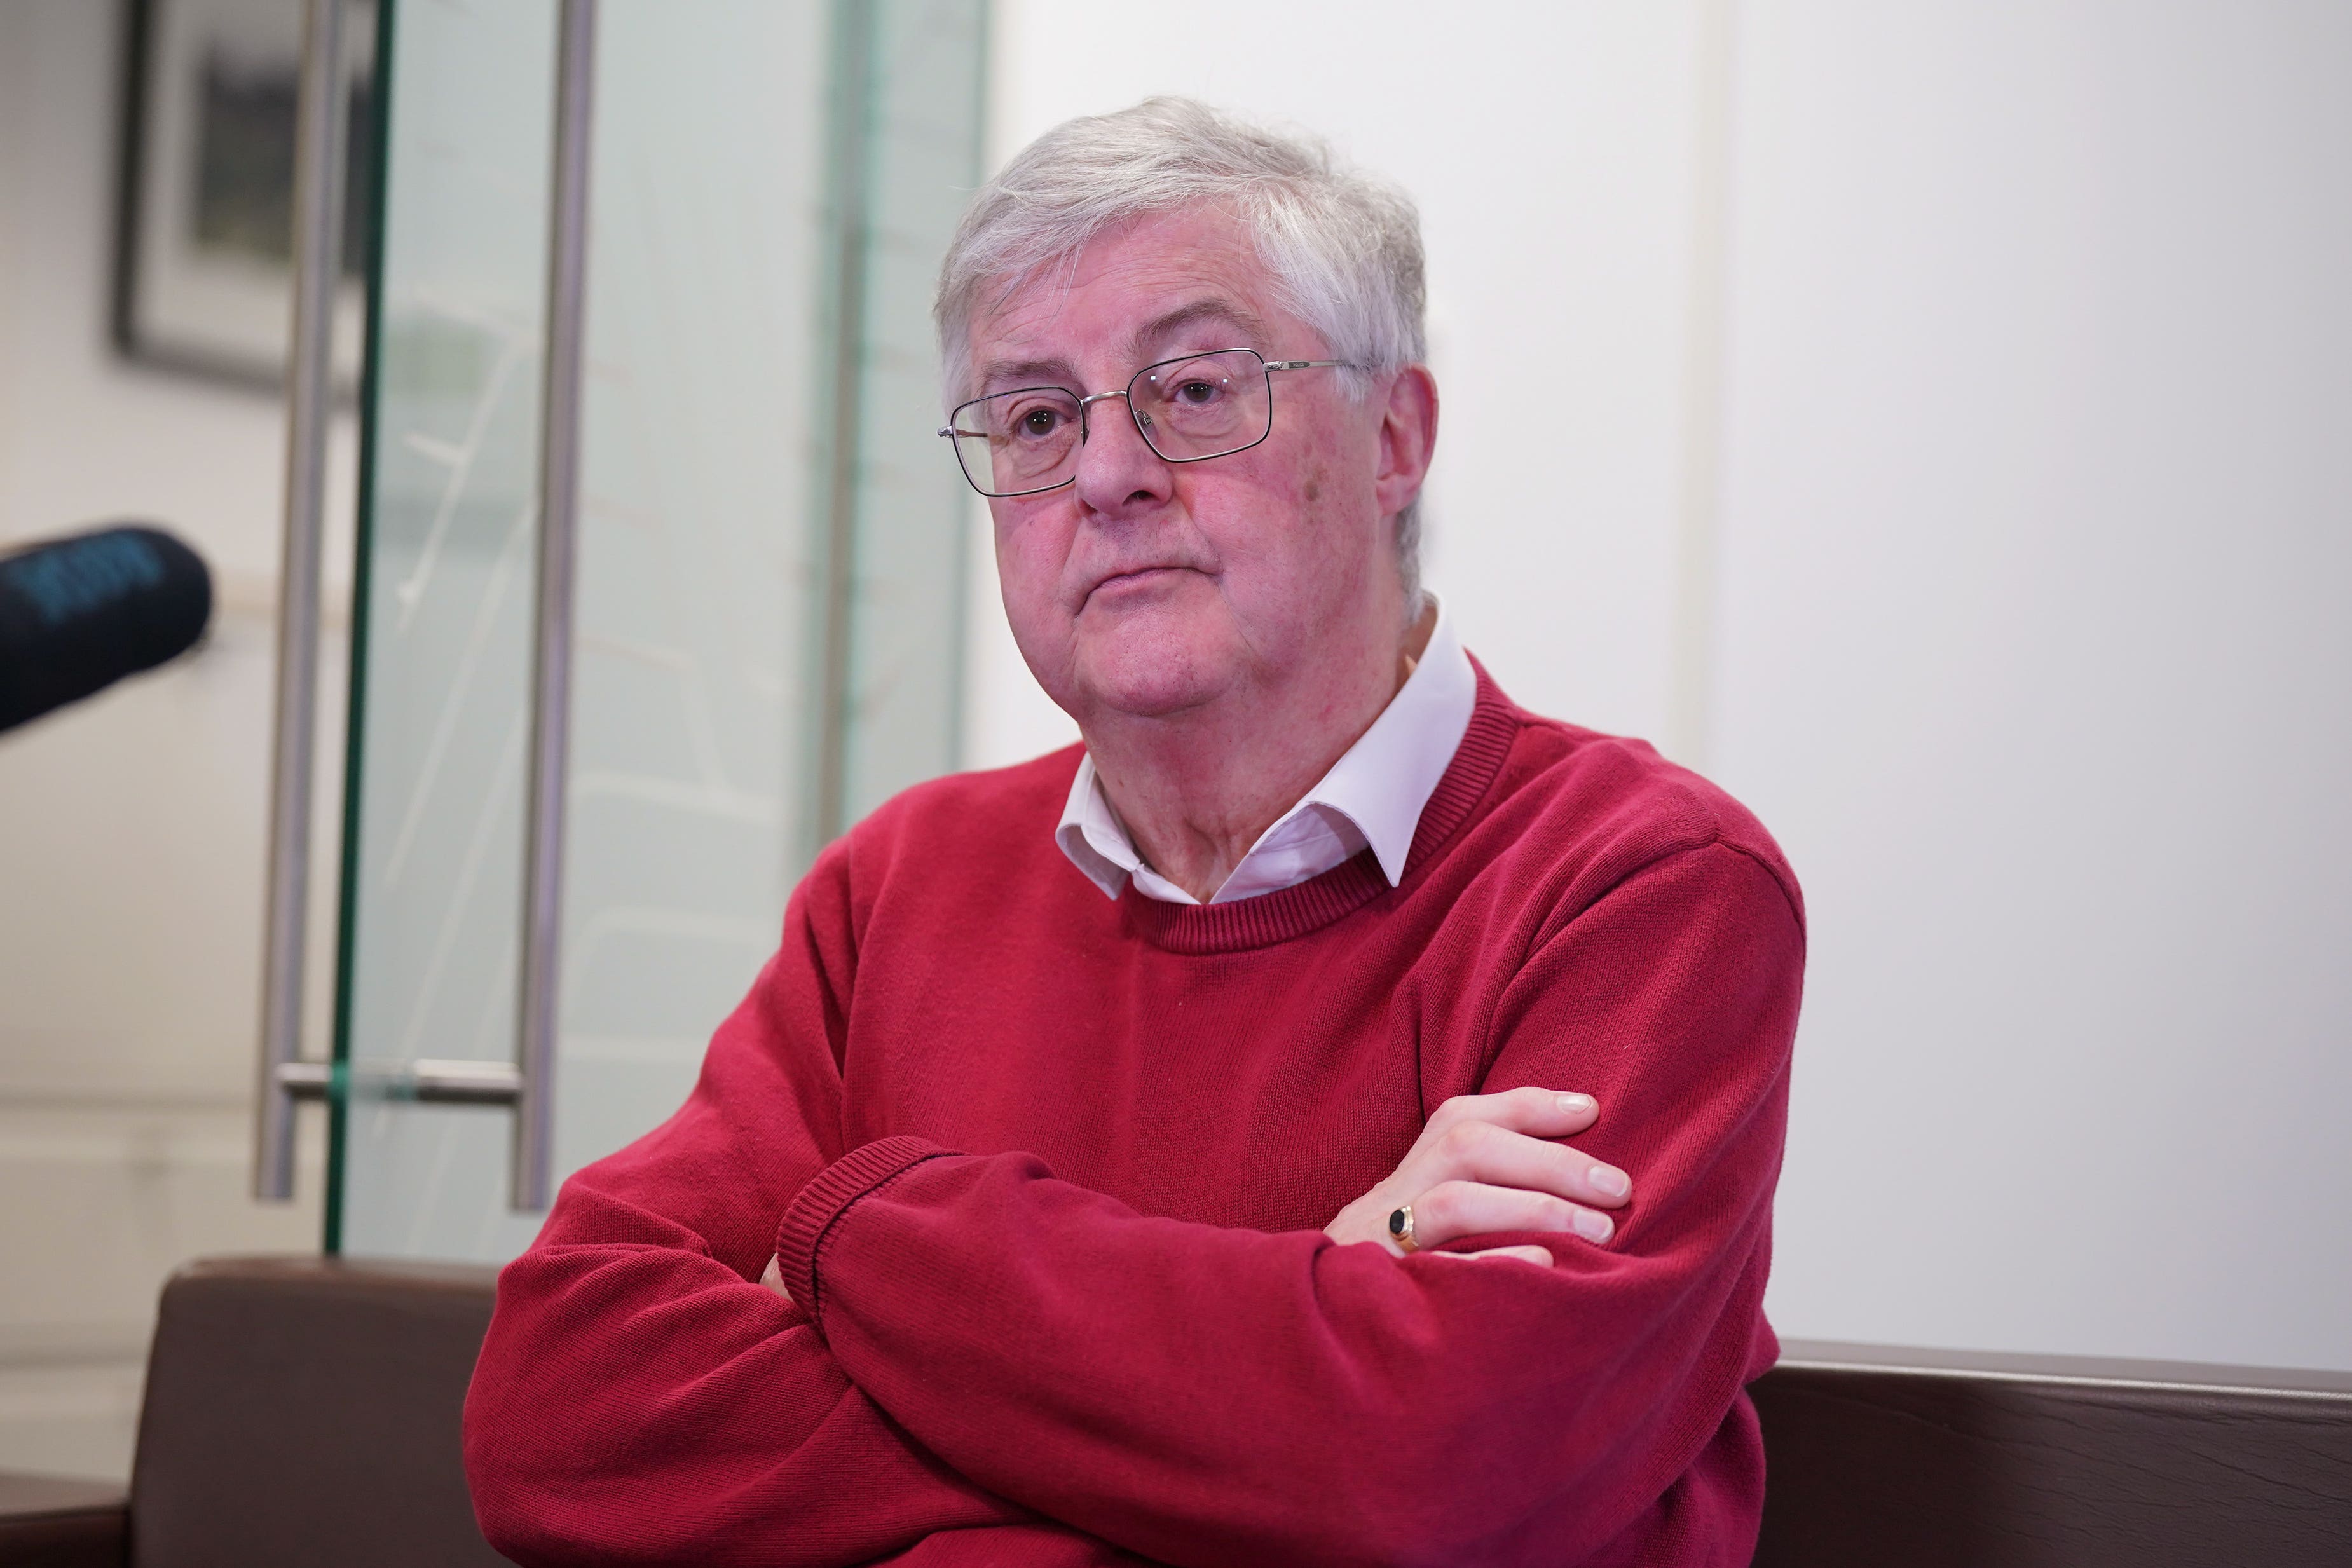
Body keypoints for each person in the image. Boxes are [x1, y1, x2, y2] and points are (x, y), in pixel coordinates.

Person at [464, 97, 1804, 1568]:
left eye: (1195, 389)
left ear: (1393, 439)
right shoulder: (898, 887)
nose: (1104, 474)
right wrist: (1312, 1304)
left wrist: (850, 1231)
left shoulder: (1640, 888)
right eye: (1035, 416)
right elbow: (560, 1413)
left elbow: (1440, 1468)